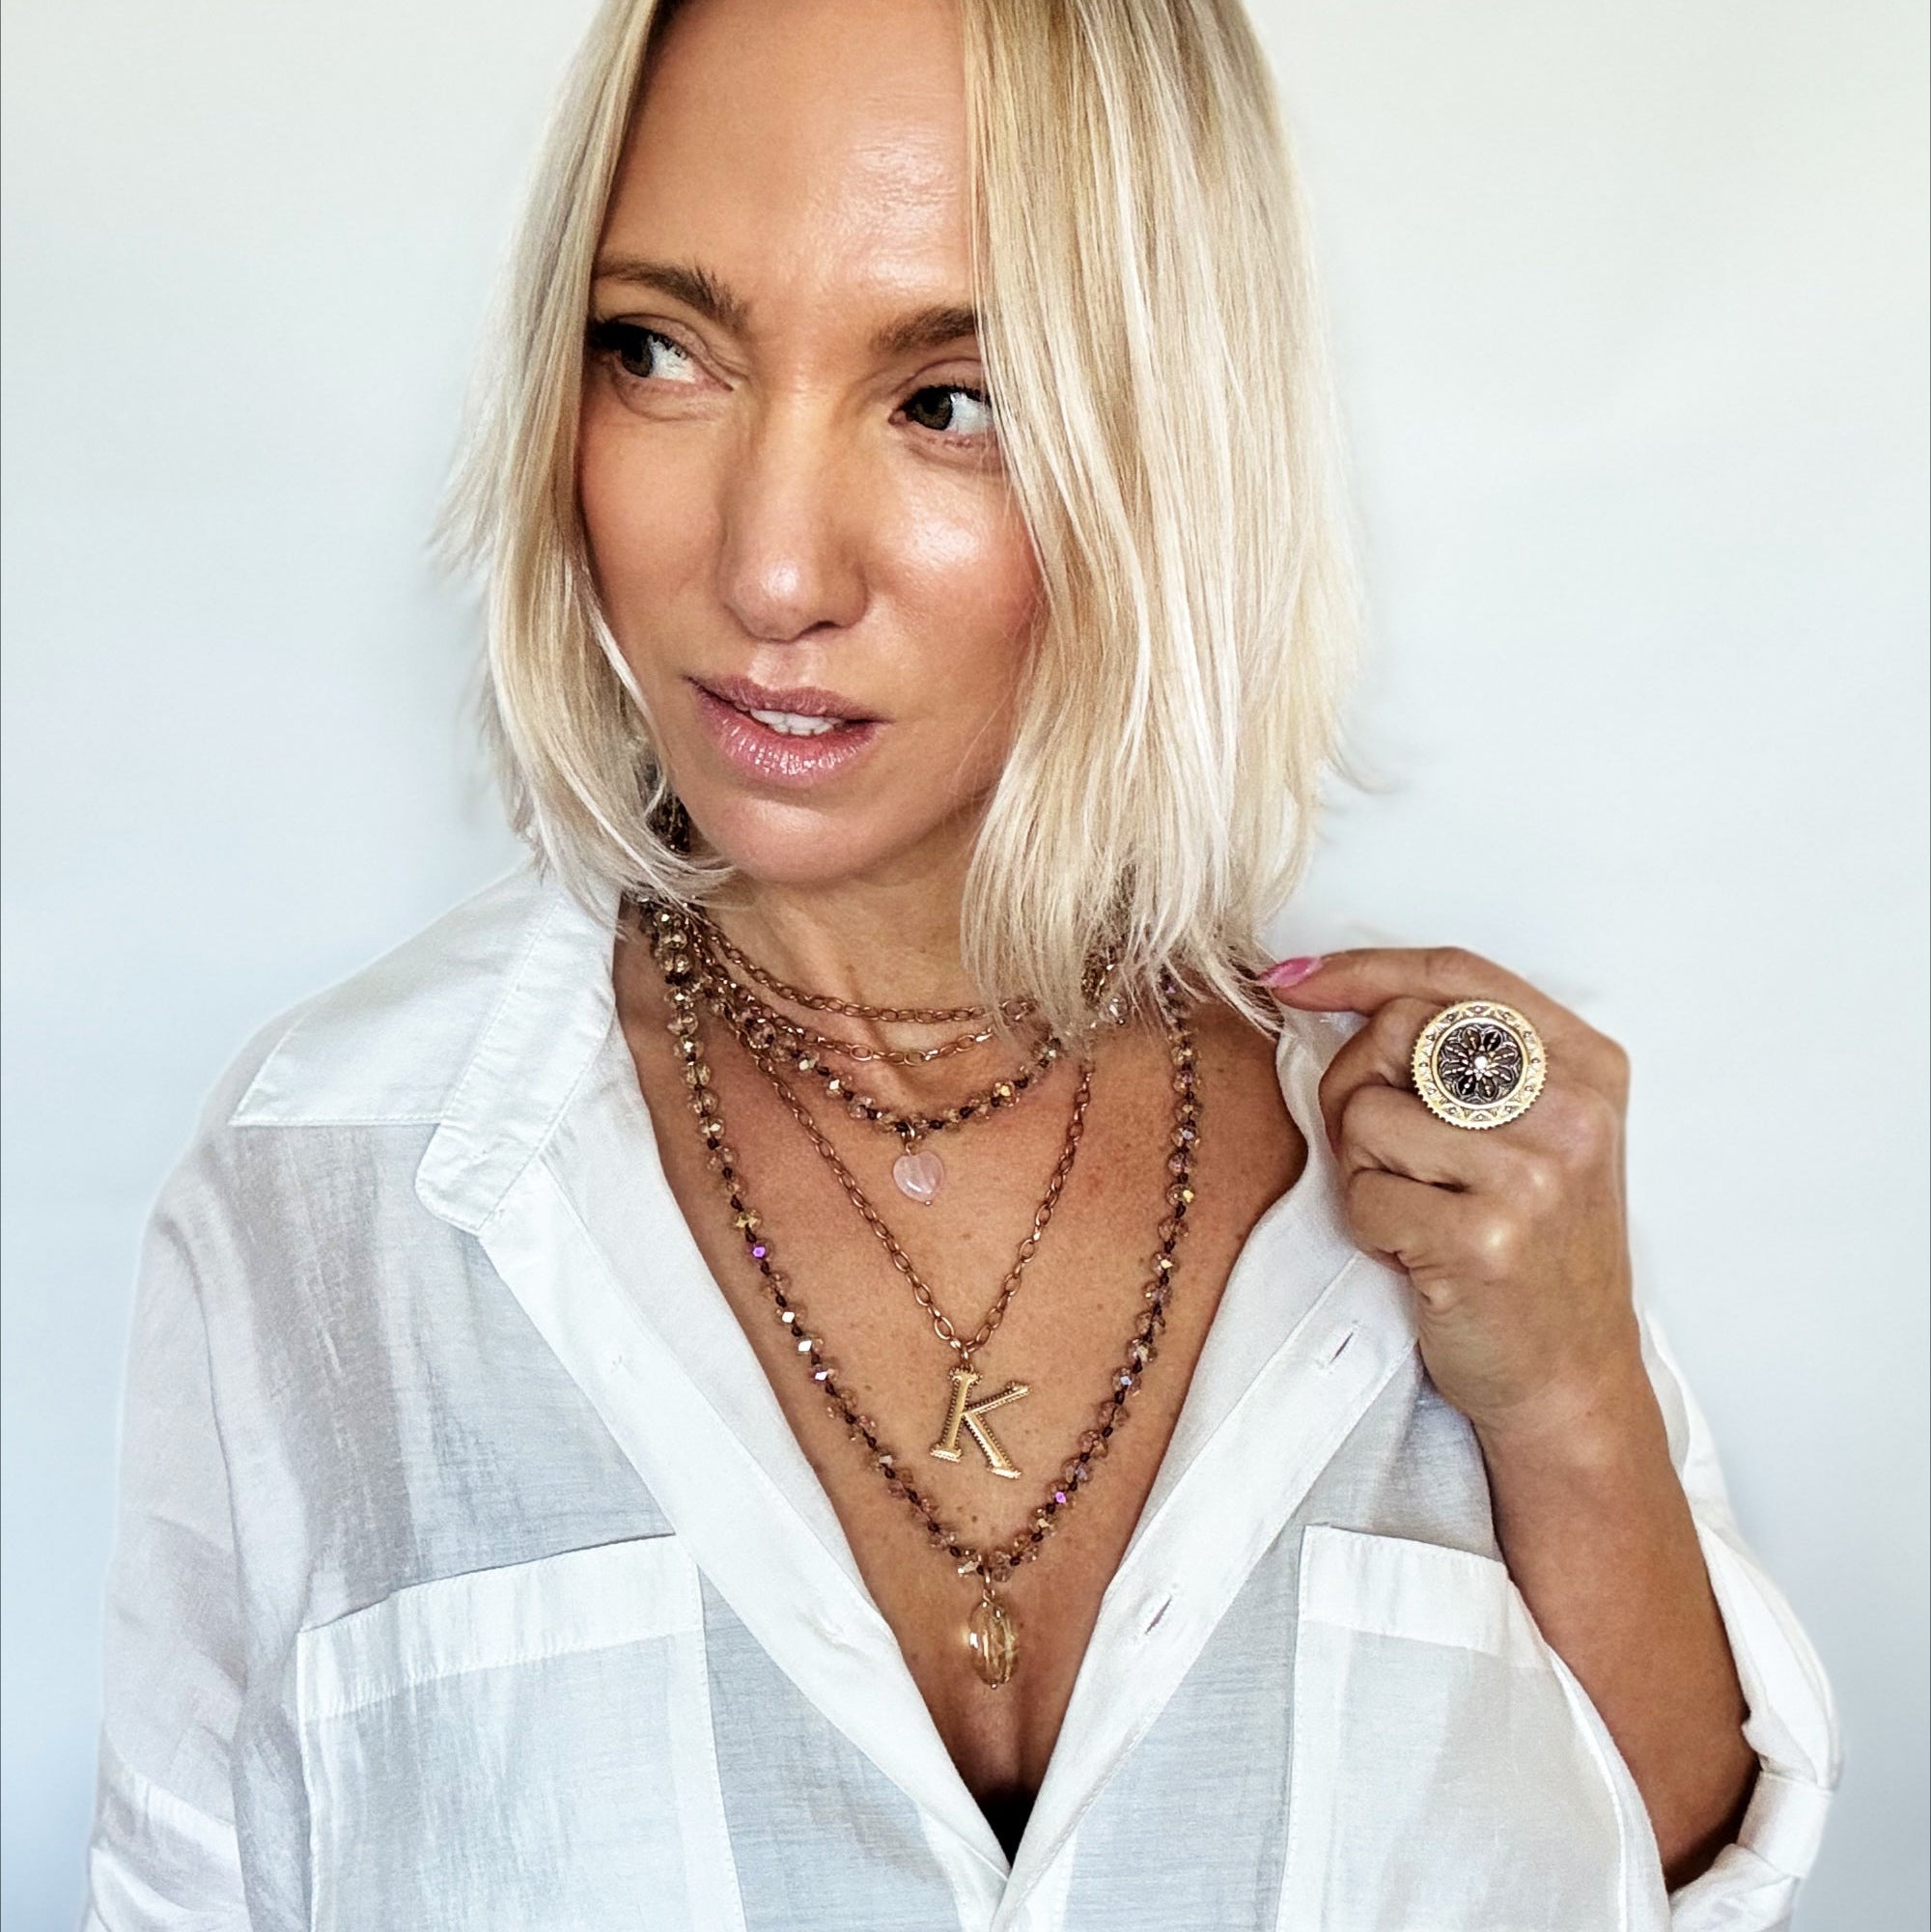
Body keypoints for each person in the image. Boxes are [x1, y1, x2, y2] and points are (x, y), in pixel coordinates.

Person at [80, 0, 1839, 1925]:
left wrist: (1570, 1389)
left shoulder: (1437, 1177)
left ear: (1167, 436)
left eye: (949, 397)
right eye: (657, 351)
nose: (769, 568)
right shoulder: (332, 1183)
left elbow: (1685, 1881)